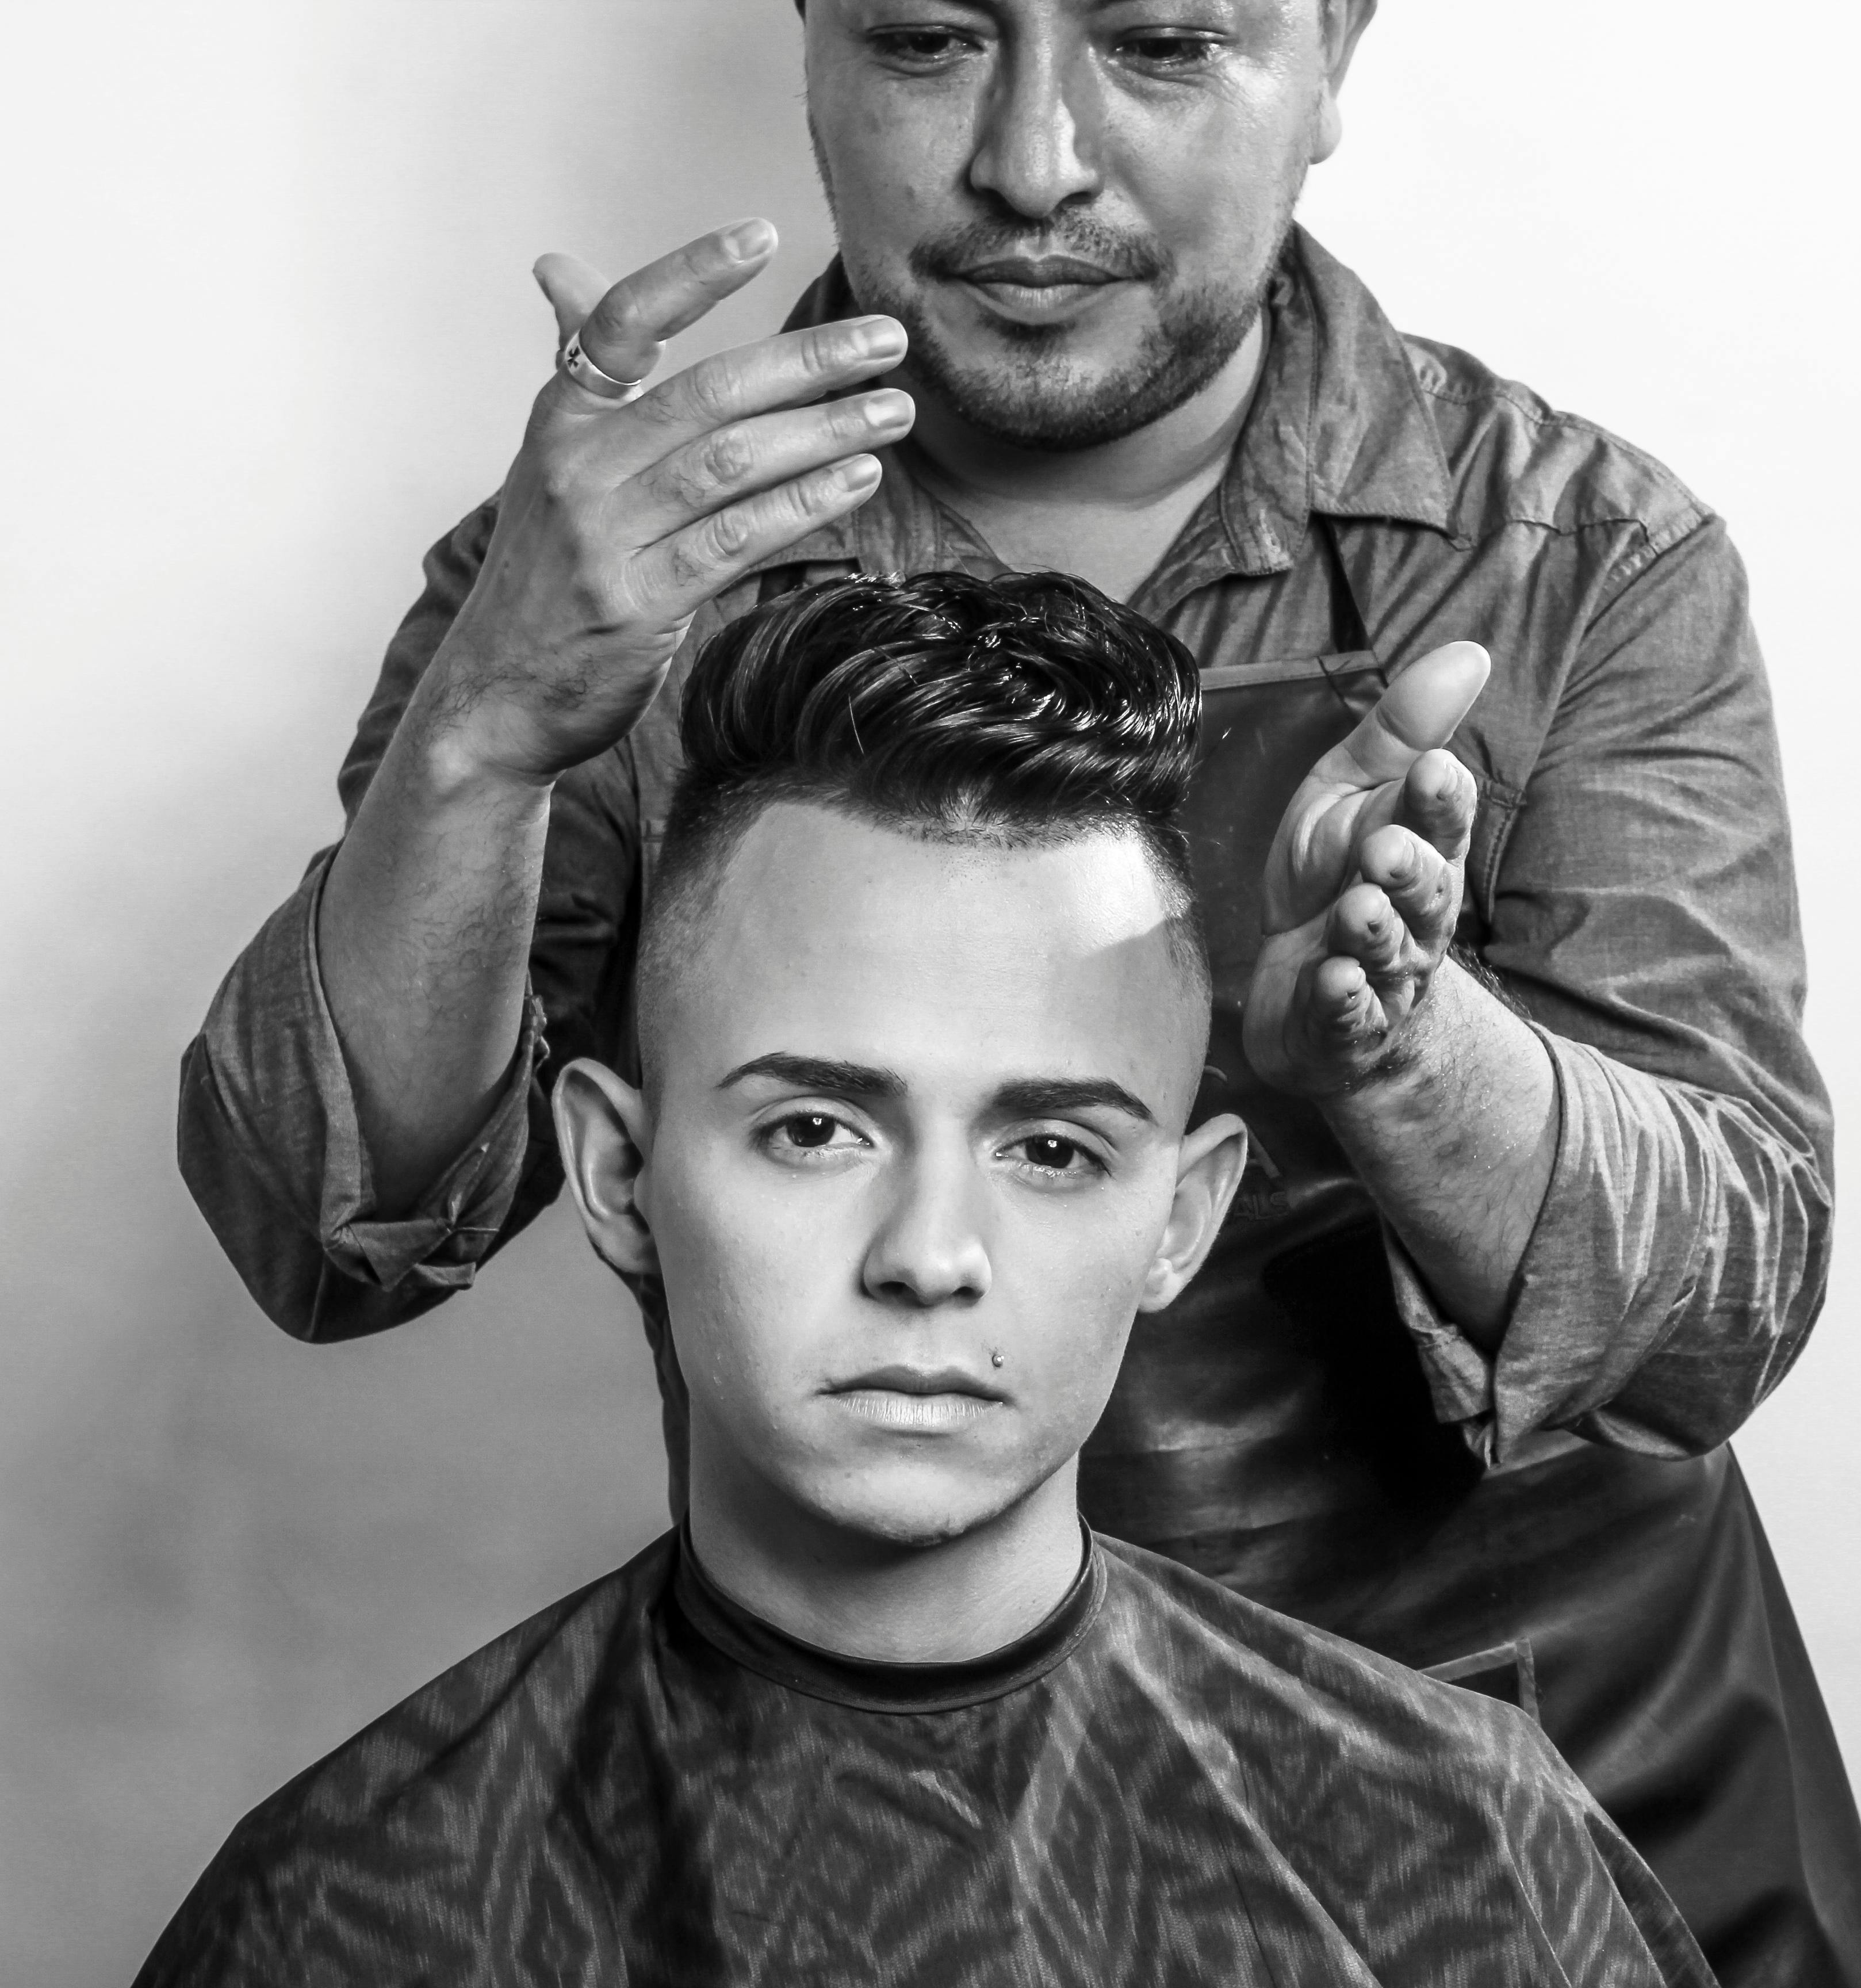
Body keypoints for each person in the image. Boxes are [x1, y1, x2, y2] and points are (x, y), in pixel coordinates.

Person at [176, 5, 1861, 1982]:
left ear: (1334, 56)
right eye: (924, 42)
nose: (1033, 160)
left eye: (1161, 44)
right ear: (809, 41)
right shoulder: (604, 569)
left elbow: (1718, 1320)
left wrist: (1407, 1046)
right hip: (883, 1787)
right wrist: (485, 734)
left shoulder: (1580, 560)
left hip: (1540, 1801)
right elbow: (321, 1234)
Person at [139, 573, 1714, 1987]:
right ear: (620, 1173)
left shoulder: (1463, 1854)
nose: (929, 1260)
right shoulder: (347, 1919)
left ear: (1182, 1216)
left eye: (1051, 1151)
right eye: (816, 1128)